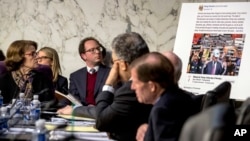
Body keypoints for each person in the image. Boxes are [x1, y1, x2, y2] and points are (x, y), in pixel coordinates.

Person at [95, 32, 152, 141]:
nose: (113, 67)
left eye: (114, 62)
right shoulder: (157, 80)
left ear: (123, 64)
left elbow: (102, 122)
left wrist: (108, 84)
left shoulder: (130, 90)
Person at [131, 52, 196, 141]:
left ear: (152, 86)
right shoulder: (182, 97)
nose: (132, 87)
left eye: (136, 82)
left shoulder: (162, 110)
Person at [56, 37, 110, 118]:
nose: (98, 52)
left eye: (98, 48)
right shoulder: (75, 76)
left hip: (102, 116)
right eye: (92, 50)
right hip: (81, 116)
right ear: (84, 56)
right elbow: (73, 99)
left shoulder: (111, 73)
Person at [0, 40, 55, 104]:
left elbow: (50, 103)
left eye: (36, 53)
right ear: (19, 57)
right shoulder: (4, 79)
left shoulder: (43, 77)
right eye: (32, 54)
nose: (37, 57)